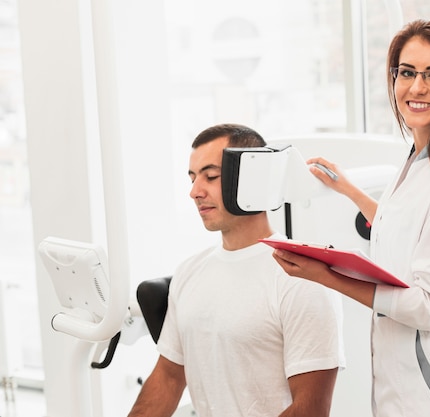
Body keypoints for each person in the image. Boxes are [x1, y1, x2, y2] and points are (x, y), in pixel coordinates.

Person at [271, 20, 430, 417]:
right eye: (407, 72)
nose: (417, 87)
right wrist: (351, 191)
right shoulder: (421, 159)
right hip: (401, 375)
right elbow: (410, 229)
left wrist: (327, 276)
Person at [128, 123, 345, 417]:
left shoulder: (302, 278)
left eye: (211, 176)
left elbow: (310, 410)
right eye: (192, 178)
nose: (194, 191)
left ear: (252, 178)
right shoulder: (190, 272)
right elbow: (168, 377)